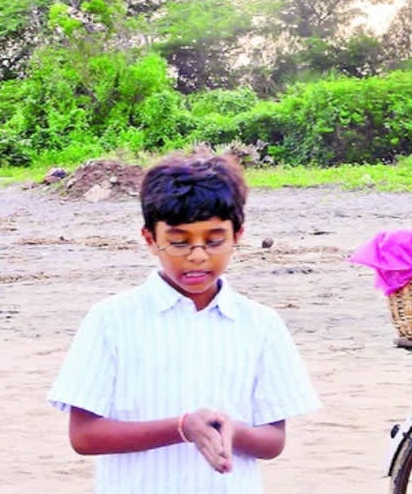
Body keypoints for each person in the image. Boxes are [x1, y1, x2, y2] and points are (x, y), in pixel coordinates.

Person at [48, 154, 320, 493]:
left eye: (214, 240)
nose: (197, 256)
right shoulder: (111, 320)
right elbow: (85, 436)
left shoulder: (261, 325)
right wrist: (181, 427)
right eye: (179, 242)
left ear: (238, 235)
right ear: (150, 239)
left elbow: (273, 440)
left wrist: (234, 431)